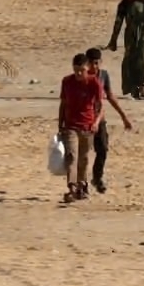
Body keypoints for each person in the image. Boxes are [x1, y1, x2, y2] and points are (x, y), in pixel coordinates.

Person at [85, 48, 132, 194]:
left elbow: (110, 96)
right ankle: (81, 184)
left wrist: (124, 117)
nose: (94, 67)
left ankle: (97, 178)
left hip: (100, 119)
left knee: (103, 150)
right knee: (83, 154)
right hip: (85, 119)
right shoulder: (82, 77)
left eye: (96, 63)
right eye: (91, 63)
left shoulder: (103, 75)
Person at [58, 53, 105, 203]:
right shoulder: (67, 82)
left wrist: (96, 123)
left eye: (82, 70)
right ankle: (71, 187)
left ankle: (81, 185)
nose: (79, 73)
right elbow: (63, 104)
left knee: (83, 159)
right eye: (76, 70)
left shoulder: (94, 83)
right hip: (71, 125)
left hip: (87, 127)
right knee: (71, 156)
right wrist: (61, 124)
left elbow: (101, 106)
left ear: (87, 69)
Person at [106, 0, 144, 99]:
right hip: (130, 36)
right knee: (130, 61)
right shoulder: (123, 5)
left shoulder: (143, 2)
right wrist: (113, 40)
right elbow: (118, 23)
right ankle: (133, 87)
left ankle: (143, 86)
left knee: (143, 59)